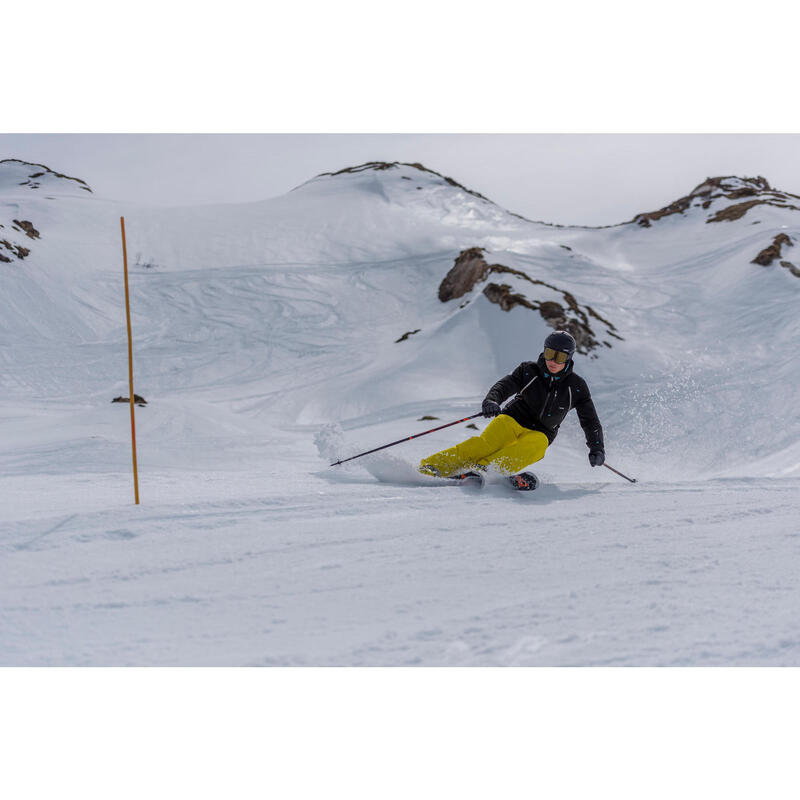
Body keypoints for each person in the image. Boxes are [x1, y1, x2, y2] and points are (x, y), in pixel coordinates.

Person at [419, 330, 605, 488]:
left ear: (569, 358)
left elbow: (590, 420)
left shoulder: (576, 386)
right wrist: (492, 400)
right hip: (512, 419)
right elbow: (505, 385)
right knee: (484, 445)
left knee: (535, 447)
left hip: (542, 432)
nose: (553, 361)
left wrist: (597, 448)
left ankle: (484, 470)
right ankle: (431, 467)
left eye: (560, 356)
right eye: (549, 353)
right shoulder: (529, 370)